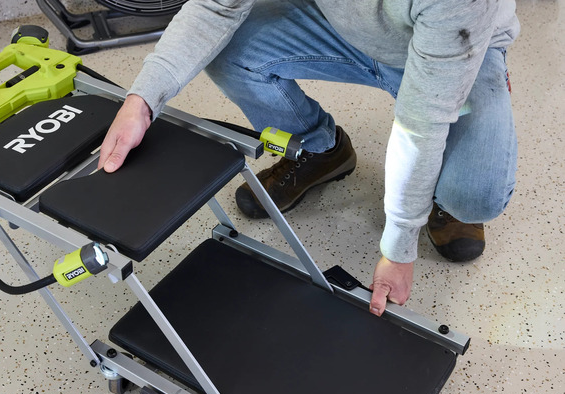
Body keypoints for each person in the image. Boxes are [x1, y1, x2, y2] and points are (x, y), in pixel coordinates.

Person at [97, 0, 520, 316]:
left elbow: (421, 123)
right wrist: (142, 101)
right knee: (229, 50)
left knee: (474, 194)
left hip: (462, 50)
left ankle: (446, 202)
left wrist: (399, 246)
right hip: (346, 31)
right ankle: (321, 149)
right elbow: (215, 7)